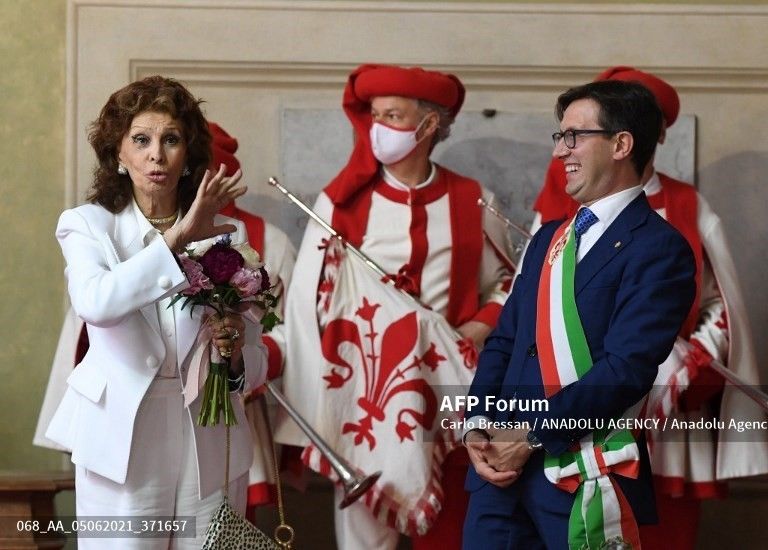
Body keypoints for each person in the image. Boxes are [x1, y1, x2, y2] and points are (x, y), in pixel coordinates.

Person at [273, 63, 514, 550]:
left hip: (451, 391)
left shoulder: (472, 199)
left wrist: (478, 329)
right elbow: (307, 306)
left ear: (429, 126)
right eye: (375, 115)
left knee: (452, 531)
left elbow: (507, 284)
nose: (379, 127)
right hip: (366, 400)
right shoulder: (339, 204)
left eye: (394, 115)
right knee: (366, 541)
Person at [530, 66, 768, 549]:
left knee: (665, 529)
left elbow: (722, 304)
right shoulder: (560, 205)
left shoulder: (687, 203)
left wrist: (687, 365)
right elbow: (530, 310)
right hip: (577, 399)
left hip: (669, 406)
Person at [462, 80, 697, 549]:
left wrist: (530, 434)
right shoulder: (550, 237)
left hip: (581, 473)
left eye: (575, 136)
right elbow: (506, 341)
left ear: (621, 144)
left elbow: (625, 369)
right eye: (559, 137)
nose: (560, 152)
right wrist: (477, 425)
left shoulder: (660, 248)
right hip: (499, 480)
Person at [43, 76, 268, 549]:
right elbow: (97, 304)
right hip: (120, 437)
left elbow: (255, 359)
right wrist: (176, 240)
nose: (156, 155)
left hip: (210, 437)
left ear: (188, 154)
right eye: (141, 140)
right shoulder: (86, 224)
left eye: (171, 139)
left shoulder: (228, 233)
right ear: (119, 154)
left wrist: (235, 354)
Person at [206, 121, 297, 518]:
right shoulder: (146, 234)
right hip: (160, 415)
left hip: (240, 409)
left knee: (229, 528)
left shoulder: (269, 240)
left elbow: (296, 329)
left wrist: (250, 364)